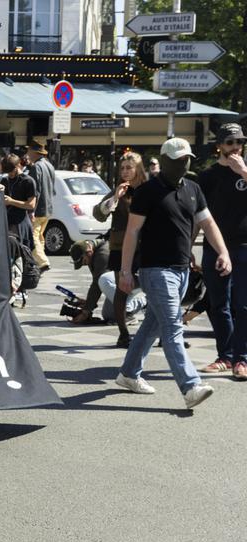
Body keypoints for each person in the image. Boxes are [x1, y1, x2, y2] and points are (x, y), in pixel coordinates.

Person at [116, 137, 231, 409]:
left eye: (186, 159)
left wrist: (223, 252)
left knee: (151, 326)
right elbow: (132, 232)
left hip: (181, 271)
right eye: (178, 160)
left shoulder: (193, 188)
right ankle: (191, 387)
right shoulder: (147, 192)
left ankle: (128, 374)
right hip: (155, 271)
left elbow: (208, 222)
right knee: (172, 328)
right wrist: (125, 271)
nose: (184, 163)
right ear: (164, 161)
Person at [196, 122, 247, 379]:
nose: (236, 147)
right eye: (230, 143)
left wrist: (244, 173)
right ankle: (225, 356)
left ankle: (242, 359)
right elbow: (198, 216)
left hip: (244, 247)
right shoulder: (207, 177)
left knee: (243, 305)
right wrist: (186, 251)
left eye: (239, 142)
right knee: (219, 305)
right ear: (219, 146)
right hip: (215, 248)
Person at [94, 151, 147, 348]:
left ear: (138, 169)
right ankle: (123, 333)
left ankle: (158, 331)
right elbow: (99, 213)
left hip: (146, 245)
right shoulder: (119, 190)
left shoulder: (147, 189)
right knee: (121, 289)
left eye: (129, 168)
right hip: (120, 245)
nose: (125, 172)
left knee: (153, 286)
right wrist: (115, 198)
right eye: (122, 168)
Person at [67, 239, 111, 324]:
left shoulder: (102, 255)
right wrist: (89, 303)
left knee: (114, 315)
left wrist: (86, 312)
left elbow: (97, 285)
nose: (85, 264)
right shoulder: (92, 252)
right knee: (108, 314)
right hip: (119, 284)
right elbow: (97, 283)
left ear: (88, 252)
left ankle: (141, 303)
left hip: (131, 282)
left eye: (84, 262)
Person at [27, 141, 55, 272]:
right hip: (48, 207)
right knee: (39, 237)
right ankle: (39, 261)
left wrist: (32, 210)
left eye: (29, 151)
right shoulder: (49, 166)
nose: (27, 154)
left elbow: (34, 190)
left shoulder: (36, 167)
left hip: (38, 208)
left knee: (33, 236)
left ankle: (42, 262)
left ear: (34, 152)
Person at [0, 153, 37, 244]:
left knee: (21, 253)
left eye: (11, 171)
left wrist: (11, 202)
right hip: (6, 222)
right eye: (7, 172)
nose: (9, 174)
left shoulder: (27, 181)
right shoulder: (4, 180)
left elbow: (31, 205)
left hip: (21, 223)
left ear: (18, 166)